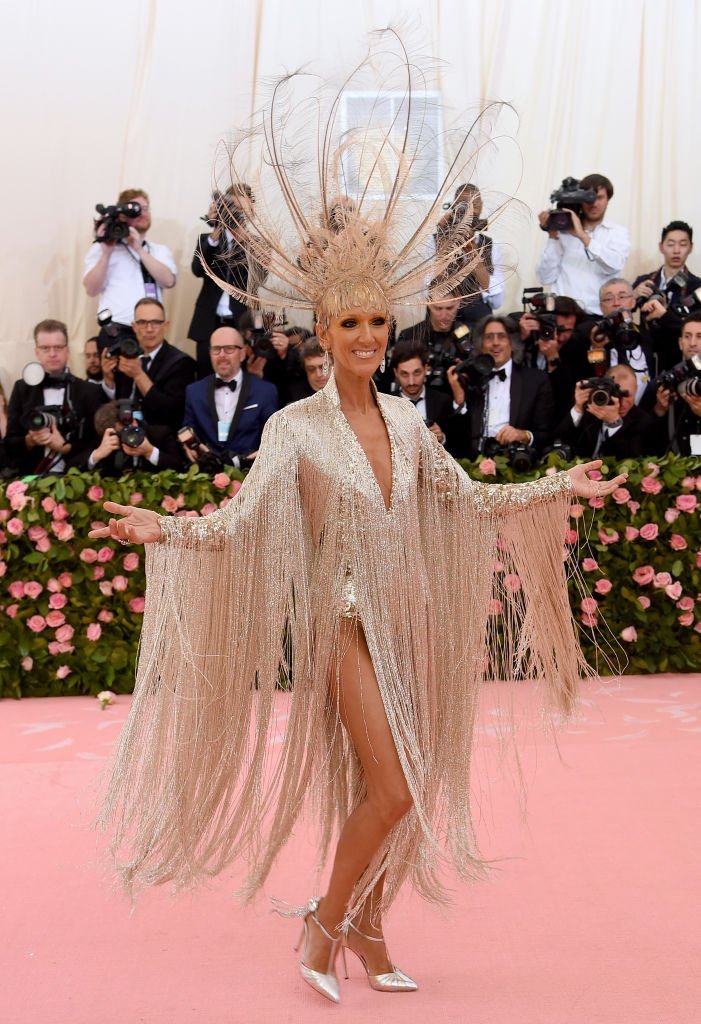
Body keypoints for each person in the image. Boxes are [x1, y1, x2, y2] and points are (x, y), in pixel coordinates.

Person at [90, 41, 627, 1006]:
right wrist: (163, 530)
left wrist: (557, 491)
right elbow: (241, 521)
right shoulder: (293, 429)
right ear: (322, 337)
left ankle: (371, 931)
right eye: (350, 327)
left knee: (403, 792)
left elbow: (468, 502)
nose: (369, 339)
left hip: (407, 618)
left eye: (379, 325)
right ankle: (321, 923)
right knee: (394, 786)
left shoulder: (414, 423)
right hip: (339, 628)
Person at [447, 316, 556, 459]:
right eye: (489, 337)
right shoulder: (469, 380)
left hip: (518, 466)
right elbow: (456, 439)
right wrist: (459, 400)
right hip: (474, 468)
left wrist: (524, 435)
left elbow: (547, 433)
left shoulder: (536, 381)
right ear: (481, 345)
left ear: (512, 342)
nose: (495, 343)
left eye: (501, 337)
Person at [187, 185, 268, 378]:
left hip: (242, 322)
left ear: (251, 213)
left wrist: (244, 240)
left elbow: (259, 277)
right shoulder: (207, 239)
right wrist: (216, 229)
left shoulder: (260, 244)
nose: (238, 214)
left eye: (243, 210)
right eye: (234, 208)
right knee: (206, 376)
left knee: (242, 378)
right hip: (208, 322)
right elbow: (197, 270)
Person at [5, 319, 102, 476]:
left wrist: (65, 447)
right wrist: (30, 440)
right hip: (31, 480)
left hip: (76, 479)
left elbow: (96, 443)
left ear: (67, 351)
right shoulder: (22, 389)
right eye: (45, 348)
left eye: (58, 347)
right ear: (37, 352)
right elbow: (9, 443)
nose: (52, 354)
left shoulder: (88, 391)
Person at [83, 188, 177, 343]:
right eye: (136, 209)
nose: (143, 213)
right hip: (114, 330)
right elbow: (91, 290)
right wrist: (106, 253)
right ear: (122, 215)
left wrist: (138, 249)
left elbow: (169, 281)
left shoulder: (158, 251)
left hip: (151, 331)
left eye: (146, 208)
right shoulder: (101, 249)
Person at [180, 326, 278, 468]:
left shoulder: (265, 391)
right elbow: (187, 429)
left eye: (229, 349)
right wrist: (187, 444)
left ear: (243, 353)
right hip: (207, 475)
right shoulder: (194, 391)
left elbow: (273, 436)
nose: (222, 355)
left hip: (250, 474)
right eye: (216, 349)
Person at [535, 174, 631, 314]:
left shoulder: (617, 233)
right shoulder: (562, 232)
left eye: (599, 198)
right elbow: (545, 278)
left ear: (608, 200)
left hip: (597, 315)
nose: (594, 204)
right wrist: (553, 236)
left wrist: (581, 235)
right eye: (588, 198)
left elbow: (614, 265)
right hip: (563, 315)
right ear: (579, 200)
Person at [100, 298, 196, 431]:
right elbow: (113, 406)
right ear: (134, 327)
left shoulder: (181, 363)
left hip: (161, 439)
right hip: (122, 433)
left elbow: (171, 412)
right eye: (142, 323)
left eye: (155, 323)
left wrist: (139, 375)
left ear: (166, 326)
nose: (149, 329)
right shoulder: (126, 355)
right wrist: (108, 379)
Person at [633, 221, 701, 370]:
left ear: (690, 248)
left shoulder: (697, 287)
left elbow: (695, 328)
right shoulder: (644, 282)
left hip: (680, 359)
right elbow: (624, 315)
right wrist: (632, 297)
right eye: (670, 244)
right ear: (661, 247)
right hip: (645, 358)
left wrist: (664, 315)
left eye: (683, 244)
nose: (676, 250)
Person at [554, 363, 661, 458]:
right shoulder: (590, 411)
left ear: (636, 389)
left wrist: (614, 423)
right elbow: (559, 440)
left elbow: (632, 461)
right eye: (617, 395)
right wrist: (578, 409)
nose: (622, 403)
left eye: (627, 396)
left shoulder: (643, 421)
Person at [433, 183, 505, 322]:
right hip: (443, 318)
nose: (470, 210)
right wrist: (444, 240)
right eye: (463, 205)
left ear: (481, 206)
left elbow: (497, 301)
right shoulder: (435, 241)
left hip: (479, 320)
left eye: (475, 204)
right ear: (454, 206)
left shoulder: (492, 245)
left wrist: (471, 250)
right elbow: (429, 290)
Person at [71, 400, 184, 476]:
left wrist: (150, 452)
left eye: (124, 431)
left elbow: (180, 468)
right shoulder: (105, 440)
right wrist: (96, 455)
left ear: (132, 421)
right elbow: (70, 469)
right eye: (117, 435)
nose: (122, 438)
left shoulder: (160, 434)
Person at [644, 311, 701, 455]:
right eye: (687, 336)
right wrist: (659, 410)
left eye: (700, 336)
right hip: (674, 467)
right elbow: (644, 437)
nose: (692, 343)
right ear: (680, 343)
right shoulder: (665, 381)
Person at [287, 337, 332, 402]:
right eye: (311, 369)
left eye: (324, 367)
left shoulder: (349, 390)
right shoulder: (294, 395)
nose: (318, 374)